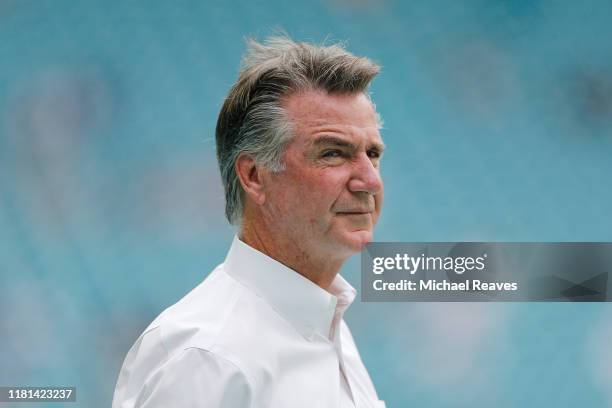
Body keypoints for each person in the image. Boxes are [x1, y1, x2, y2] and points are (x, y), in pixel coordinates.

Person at [112, 35, 386, 408]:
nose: (370, 181)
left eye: (372, 153)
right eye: (333, 153)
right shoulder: (207, 356)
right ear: (255, 176)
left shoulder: (326, 325)